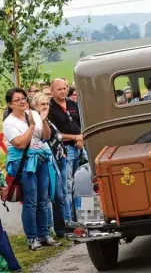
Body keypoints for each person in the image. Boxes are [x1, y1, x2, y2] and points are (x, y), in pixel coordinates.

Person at [3, 87, 61, 251]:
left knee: (43, 199)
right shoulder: (9, 123)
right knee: (30, 201)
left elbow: (46, 137)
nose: (22, 102)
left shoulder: (33, 113)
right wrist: (32, 126)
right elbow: (20, 143)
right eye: (17, 100)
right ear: (10, 104)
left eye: (24, 98)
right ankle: (32, 239)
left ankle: (45, 235)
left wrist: (42, 121)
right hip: (24, 162)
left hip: (41, 159)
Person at [48, 79, 86, 222]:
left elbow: (81, 123)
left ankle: (82, 217)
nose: (63, 91)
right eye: (59, 89)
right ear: (51, 91)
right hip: (64, 151)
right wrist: (75, 137)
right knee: (67, 187)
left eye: (65, 88)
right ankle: (69, 221)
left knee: (81, 184)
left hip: (79, 148)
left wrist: (80, 138)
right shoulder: (50, 108)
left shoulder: (72, 103)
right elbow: (54, 134)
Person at [31, 93, 66, 238]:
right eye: (42, 104)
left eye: (47, 104)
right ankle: (45, 231)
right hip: (42, 160)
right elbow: (39, 138)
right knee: (45, 197)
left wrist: (44, 120)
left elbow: (48, 135)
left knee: (59, 195)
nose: (46, 107)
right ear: (35, 106)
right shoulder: (31, 120)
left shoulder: (46, 120)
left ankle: (60, 229)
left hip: (54, 159)